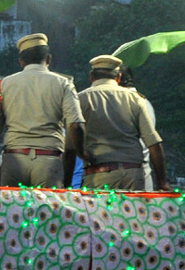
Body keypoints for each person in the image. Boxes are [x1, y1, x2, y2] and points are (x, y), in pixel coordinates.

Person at [0, 33, 85, 188]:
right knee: (48, 212)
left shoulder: (2, 85)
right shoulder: (64, 84)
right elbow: (76, 126)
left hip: (13, 160)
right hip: (49, 162)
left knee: (12, 211)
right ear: (48, 59)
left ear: (21, 61)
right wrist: (81, 158)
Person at [66, 55, 170, 191]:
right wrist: (162, 182)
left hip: (99, 175)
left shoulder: (80, 100)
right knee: (134, 212)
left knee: (99, 213)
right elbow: (154, 143)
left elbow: (69, 150)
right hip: (133, 175)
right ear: (118, 77)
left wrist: (66, 185)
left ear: (92, 76)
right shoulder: (136, 99)